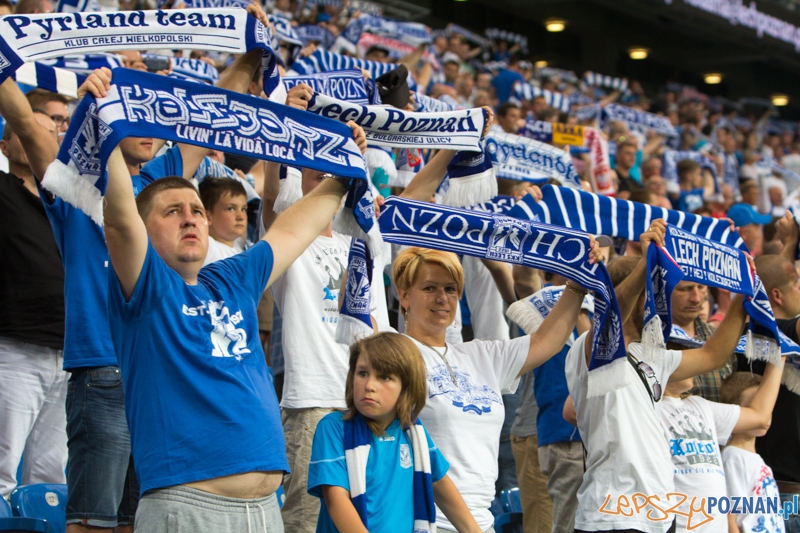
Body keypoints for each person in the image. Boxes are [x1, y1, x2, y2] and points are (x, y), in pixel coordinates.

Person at [101, 92, 368, 530]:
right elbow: (118, 220)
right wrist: (108, 125)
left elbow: (294, 228)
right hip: (187, 508)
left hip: (264, 511)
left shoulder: (230, 280)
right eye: (172, 212)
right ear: (144, 232)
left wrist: (344, 170)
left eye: (197, 211)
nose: (190, 219)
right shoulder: (145, 289)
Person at [392, 242, 598, 532]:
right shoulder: (393, 351)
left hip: (481, 522)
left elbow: (545, 342)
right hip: (422, 522)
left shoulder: (482, 355)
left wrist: (577, 285)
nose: (442, 298)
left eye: (451, 289)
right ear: (404, 296)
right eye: (429, 288)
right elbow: (358, 313)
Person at [565, 220, 754, 533]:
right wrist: (645, 263)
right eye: (652, 293)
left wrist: (741, 296)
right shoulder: (589, 348)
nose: (659, 301)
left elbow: (713, 356)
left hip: (661, 513)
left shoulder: (652, 356)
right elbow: (612, 316)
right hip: (614, 513)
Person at [308, 332, 482, 533]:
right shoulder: (333, 427)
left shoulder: (414, 432)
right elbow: (335, 500)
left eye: (384, 377)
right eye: (362, 373)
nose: (369, 386)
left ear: (406, 387)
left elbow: (441, 485)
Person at [660, 355, 784, 532]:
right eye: (680, 355)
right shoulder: (652, 409)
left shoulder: (700, 405)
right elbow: (732, 513)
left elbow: (759, 416)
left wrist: (779, 359)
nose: (691, 363)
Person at [721, 373, 786, 533]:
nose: (764, 413)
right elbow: (730, 516)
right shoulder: (733, 457)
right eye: (754, 406)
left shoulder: (754, 459)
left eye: (766, 405)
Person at [199, 177, 248, 266]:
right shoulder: (207, 246)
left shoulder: (238, 244)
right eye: (231, 208)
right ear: (207, 217)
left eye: (243, 209)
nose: (241, 217)